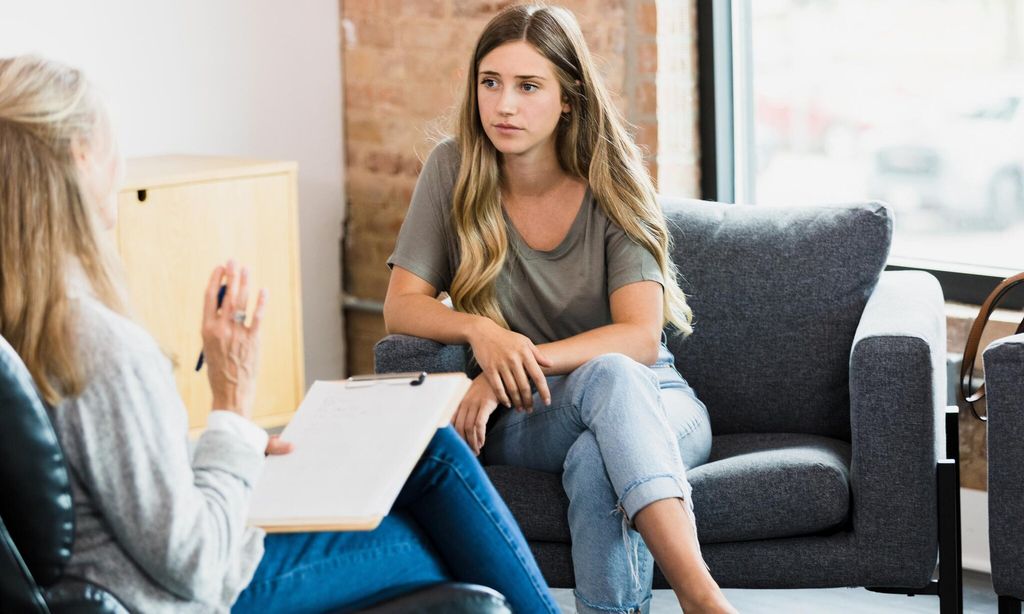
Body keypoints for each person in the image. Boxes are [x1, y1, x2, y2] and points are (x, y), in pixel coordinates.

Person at [0, 55, 560, 614]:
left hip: (140, 575)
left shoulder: (29, 321)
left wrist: (236, 449)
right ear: (79, 158)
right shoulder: (98, 346)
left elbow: (124, 483)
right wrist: (232, 401)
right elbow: (196, 563)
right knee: (436, 522)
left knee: (429, 456)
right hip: (190, 594)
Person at [384, 5, 737, 614]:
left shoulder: (614, 181)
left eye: (528, 86)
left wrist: (509, 365)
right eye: (490, 83)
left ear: (569, 97)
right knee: (604, 397)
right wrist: (480, 330)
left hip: (655, 398)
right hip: (535, 411)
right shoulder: (453, 168)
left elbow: (639, 339)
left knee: (601, 442)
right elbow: (401, 308)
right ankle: (704, 601)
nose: (504, 106)